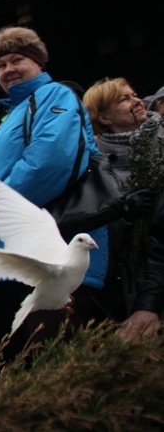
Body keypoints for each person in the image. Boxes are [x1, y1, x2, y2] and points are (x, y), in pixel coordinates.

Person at [0, 26, 108, 350]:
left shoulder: (56, 96)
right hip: (23, 260)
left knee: (59, 371)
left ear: (39, 63)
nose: (8, 70)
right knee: (31, 369)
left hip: (60, 259)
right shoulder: (10, 116)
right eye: (0, 65)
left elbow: (48, 162)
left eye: (17, 60)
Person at [83, 77, 164, 337]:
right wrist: (122, 214)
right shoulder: (94, 164)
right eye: (124, 99)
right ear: (104, 118)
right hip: (127, 281)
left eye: (134, 93)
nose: (137, 101)